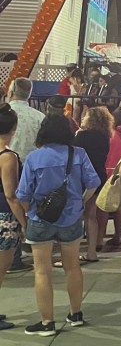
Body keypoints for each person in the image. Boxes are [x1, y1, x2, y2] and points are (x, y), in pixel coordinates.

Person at [16, 114, 101, 334]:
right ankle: (76, 313)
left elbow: (23, 194)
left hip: (41, 218)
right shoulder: (78, 154)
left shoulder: (34, 158)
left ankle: (47, 322)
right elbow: (94, 182)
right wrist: (80, 201)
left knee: (42, 271)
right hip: (71, 218)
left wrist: (30, 213)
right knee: (72, 267)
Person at [0, 104, 28, 331]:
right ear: (13, 128)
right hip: (4, 216)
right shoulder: (8, 157)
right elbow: (11, 194)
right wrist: (24, 221)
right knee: (1, 267)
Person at [73, 107, 112, 264]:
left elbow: (74, 152)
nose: (83, 119)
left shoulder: (82, 136)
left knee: (76, 214)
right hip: (98, 176)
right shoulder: (104, 137)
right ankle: (91, 251)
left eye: (85, 117)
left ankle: (72, 252)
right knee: (91, 215)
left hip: (82, 177)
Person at [98, 107, 121, 250]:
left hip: (109, 172)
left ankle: (99, 237)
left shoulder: (110, 134)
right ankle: (117, 235)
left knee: (104, 206)